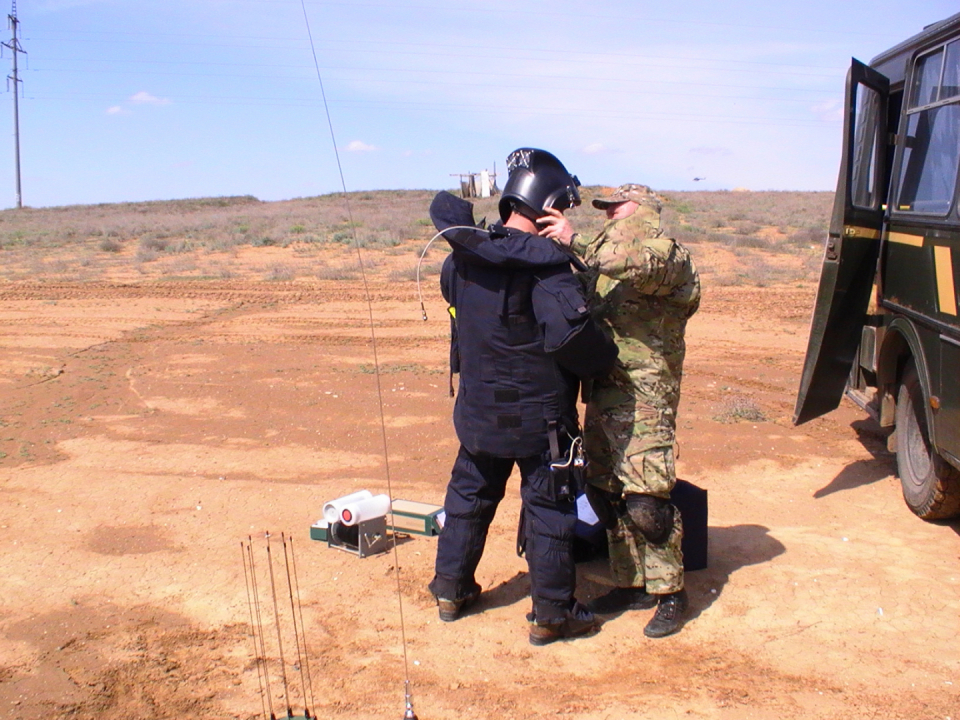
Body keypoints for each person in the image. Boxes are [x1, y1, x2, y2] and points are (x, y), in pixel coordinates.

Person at [427, 148, 619, 646]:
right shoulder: (550, 272)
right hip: (541, 423)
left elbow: (458, 302)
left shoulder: (462, 259)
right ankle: (552, 614)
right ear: (548, 208)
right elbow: (580, 347)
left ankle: (451, 590)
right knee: (549, 510)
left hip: (479, 413)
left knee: (468, 499)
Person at [538, 183, 700, 638]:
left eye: (616, 207)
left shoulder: (666, 253)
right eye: (604, 208)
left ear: (644, 210)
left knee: (647, 500)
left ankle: (670, 592)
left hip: (647, 396)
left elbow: (634, 265)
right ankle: (633, 581)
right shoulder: (603, 256)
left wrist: (574, 241)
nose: (608, 214)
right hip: (606, 392)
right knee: (605, 492)